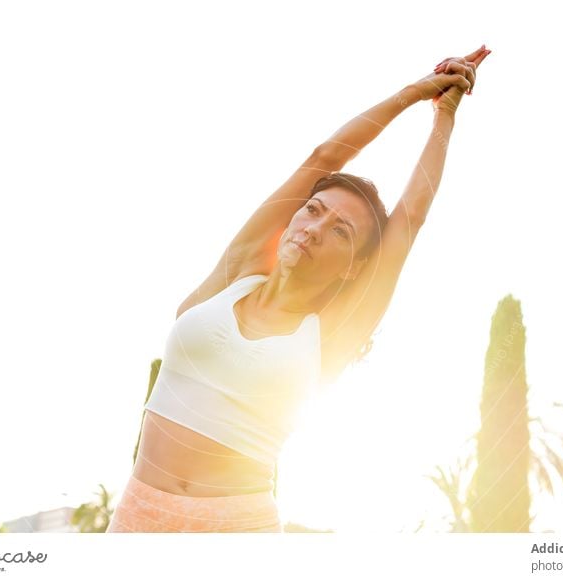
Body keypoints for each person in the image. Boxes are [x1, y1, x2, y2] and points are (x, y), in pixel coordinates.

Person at [106, 44, 492, 533]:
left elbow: (409, 218)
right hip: (139, 515)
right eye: (313, 209)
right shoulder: (238, 270)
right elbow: (325, 156)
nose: (314, 227)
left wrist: (445, 114)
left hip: (239, 529)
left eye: (340, 231)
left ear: (353, 269)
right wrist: (416, 92)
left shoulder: (329, 333)